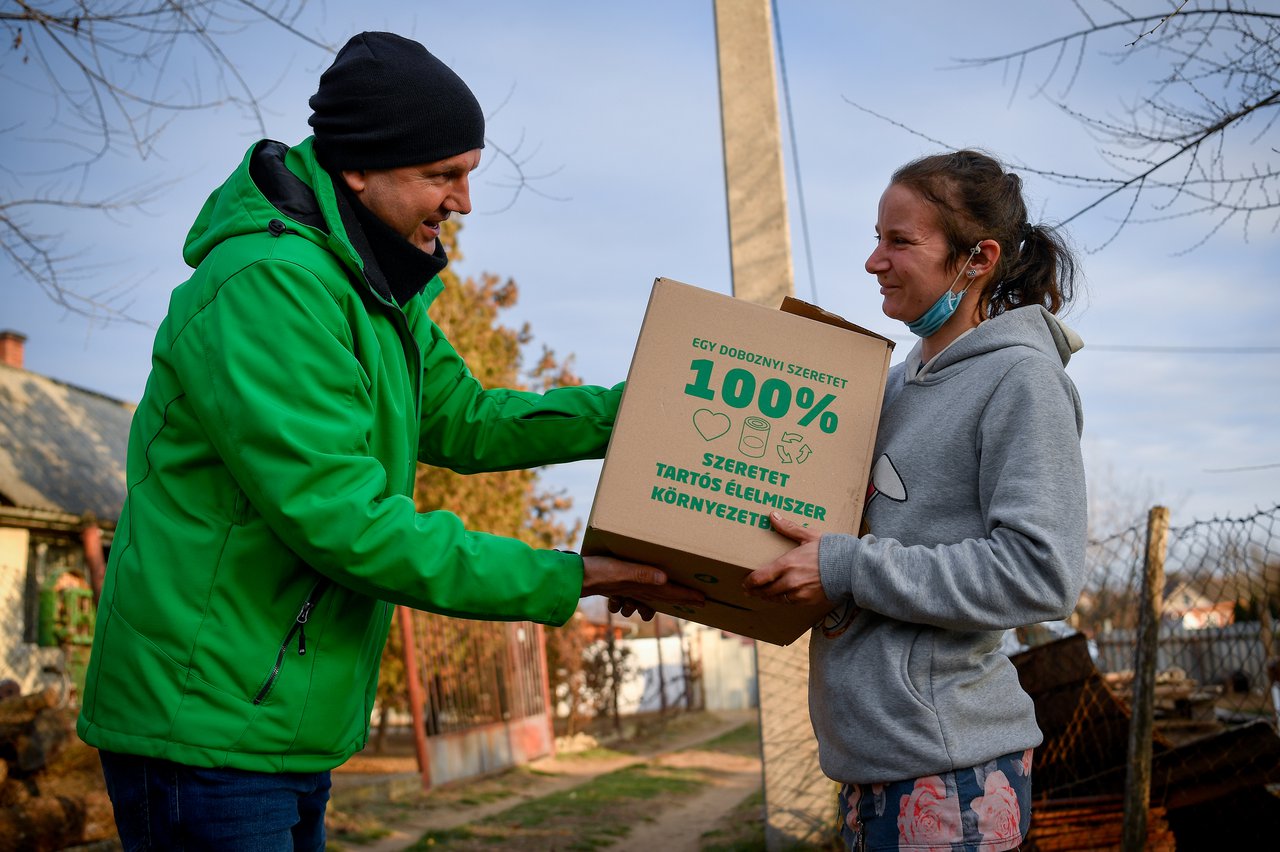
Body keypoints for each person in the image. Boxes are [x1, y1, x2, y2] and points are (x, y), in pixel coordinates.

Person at [76, 31, 700, 849]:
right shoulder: (270, 289)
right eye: (443, 175)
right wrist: (565, 577)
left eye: (470, 172)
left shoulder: (372, 285)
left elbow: (465, 419)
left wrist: (643, 411)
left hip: (274, 717)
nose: (464, 202)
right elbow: (346, 521)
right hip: (206, 723)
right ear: (359, 169)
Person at [744, 149, 1087, 851]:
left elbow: (1040, 572)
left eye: (899, 241)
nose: (874, 261)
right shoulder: (889, 389)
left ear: (977, 258)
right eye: (876, 238)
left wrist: (843, 568)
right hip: (870, 762)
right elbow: (845, 544)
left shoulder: (1021, 381)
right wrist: (705, 573)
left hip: (951, 766)